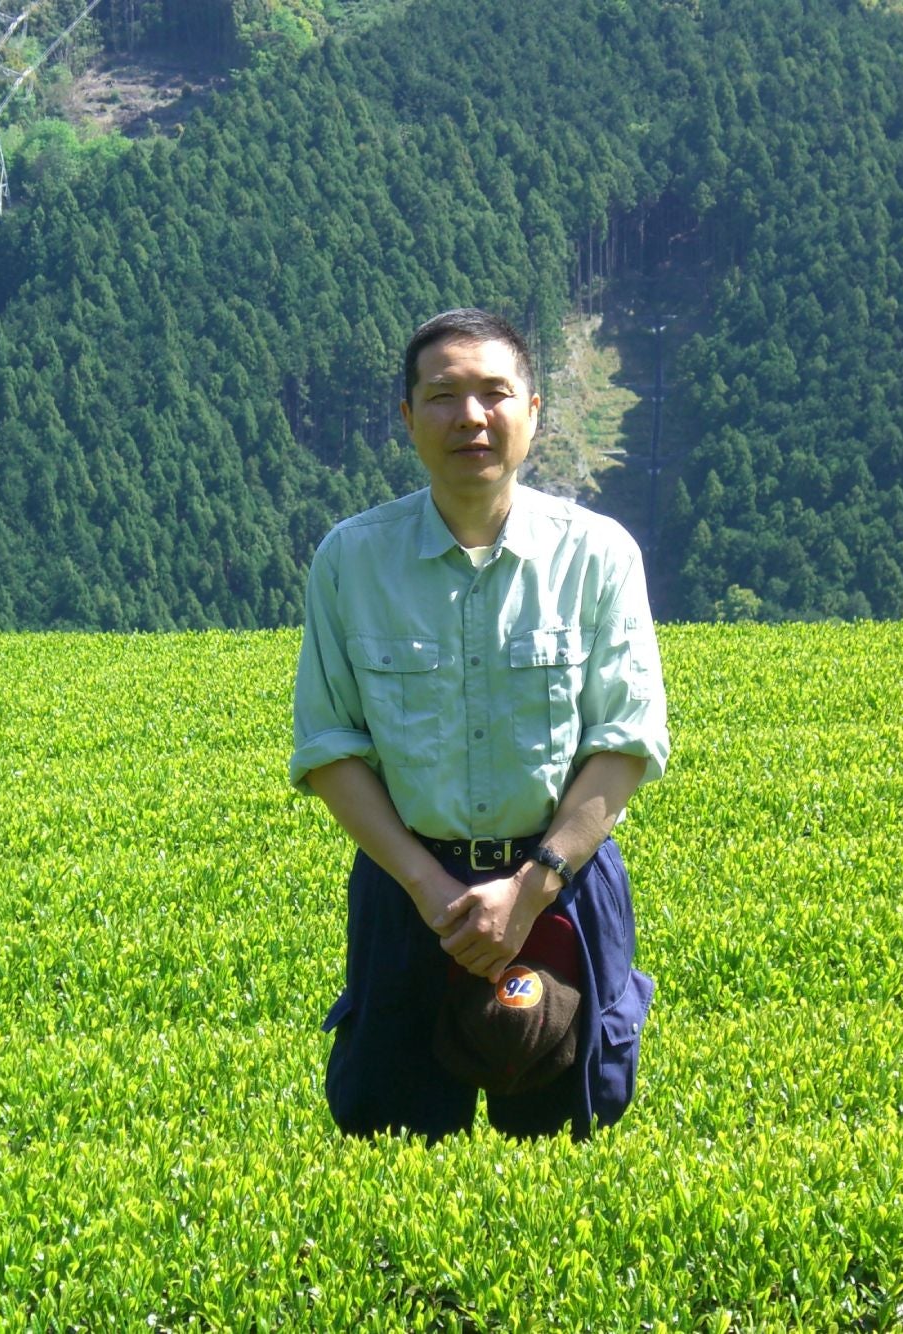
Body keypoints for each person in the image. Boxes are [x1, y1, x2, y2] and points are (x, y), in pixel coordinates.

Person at [289, 307, 670, 1140]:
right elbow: (329, 750)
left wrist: (528, 892)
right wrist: (432, 893)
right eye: (443, 396)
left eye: (495, 393)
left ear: (534, 410)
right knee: (389, 1141)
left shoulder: (599, 556)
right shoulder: (351, 561)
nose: (471, 417)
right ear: (407, 418)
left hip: (561, 892)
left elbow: (624, 746)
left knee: (570, 1144)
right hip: (407, 895)